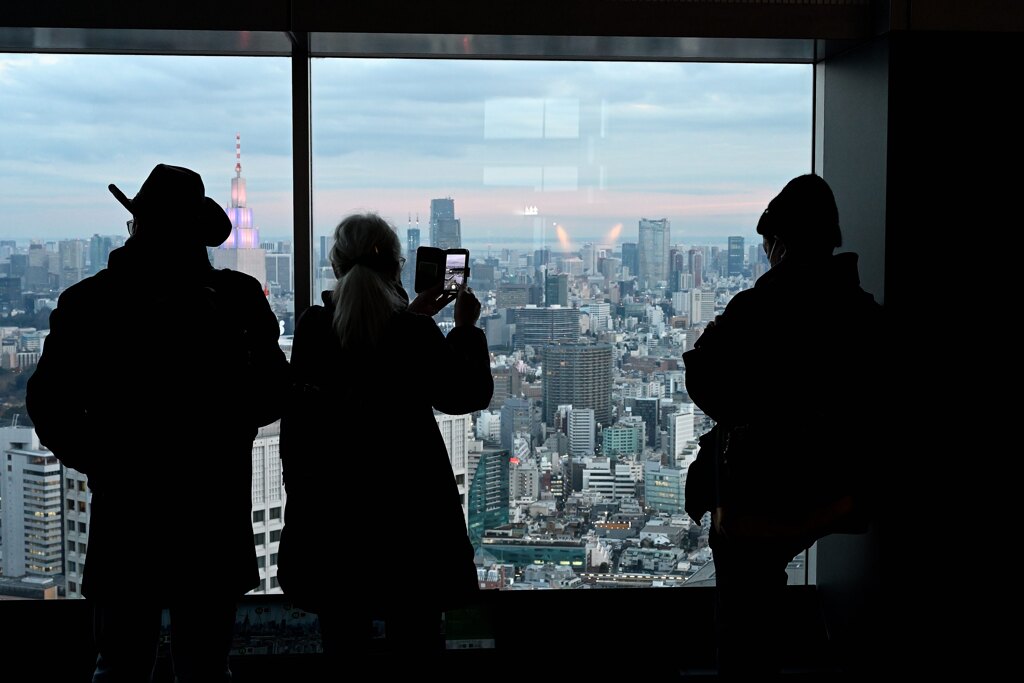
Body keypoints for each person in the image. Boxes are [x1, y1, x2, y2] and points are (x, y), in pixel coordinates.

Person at [26, 164, 290, 682]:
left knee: (120, 665)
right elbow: (274, 391)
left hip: (128, 512)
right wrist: (225, 426)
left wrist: (104, 460)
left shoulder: (90, 302)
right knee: (205, 666)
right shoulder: (236, 299)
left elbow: (48, 402)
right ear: (198, 235)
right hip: (211, 508)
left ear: (136, 225)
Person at [682, 173, 885, 678]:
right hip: (842, 485)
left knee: (744, 624)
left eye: (770, 242)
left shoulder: (757, 309)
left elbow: (710, 386)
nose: (768, 252)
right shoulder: (864, 312)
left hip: (764, 490)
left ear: (782, 242)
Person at [277, 213, 492, 673]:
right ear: (397, 267)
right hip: (408, 523)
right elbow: (465, 393)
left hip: (332, 521)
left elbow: (358, 360)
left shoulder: (314, 328)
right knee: (416, 646)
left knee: (342, 646)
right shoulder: (411, 334)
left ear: (336, 265)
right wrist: (465, 329)